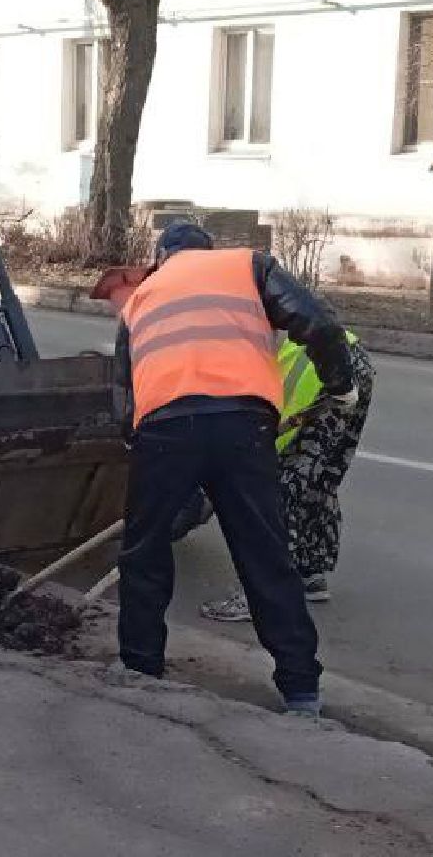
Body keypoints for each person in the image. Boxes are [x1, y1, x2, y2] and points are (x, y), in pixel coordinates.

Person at [113, 222, 357, 718]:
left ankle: (139, 673)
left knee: (145, 552)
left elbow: (123, 388)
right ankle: (301, 689)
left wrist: (135, 440)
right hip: (243, 428)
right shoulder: (247, 266)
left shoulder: (141, 297)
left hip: (165, 431)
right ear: (209, 251)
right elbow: (321, 325)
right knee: (264, 554)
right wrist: (340, 383)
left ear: (163, 257)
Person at [198, 334, 376, 622]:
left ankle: (259, 596)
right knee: (317, 476)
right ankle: (309, 571)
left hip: (318, 371)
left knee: (280, 485)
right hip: (349, 357)